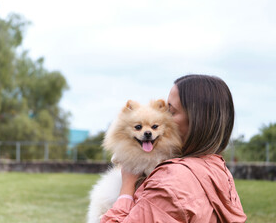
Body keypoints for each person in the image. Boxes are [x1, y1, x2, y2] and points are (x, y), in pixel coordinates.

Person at [100, 74, 247, 223]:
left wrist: (127, 188)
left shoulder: (170, 182)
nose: (164, 116)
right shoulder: (219, 170)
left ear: (196, 120)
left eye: (171, 111)